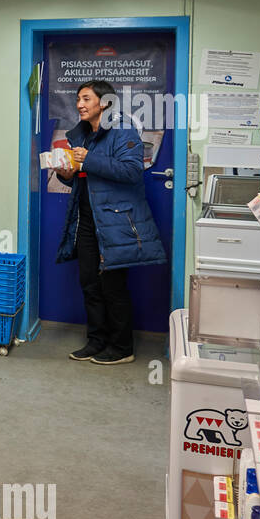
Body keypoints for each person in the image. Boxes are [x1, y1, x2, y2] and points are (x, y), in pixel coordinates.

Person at [53, 80, 165, 364]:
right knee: (89, 282)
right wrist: (66, 173)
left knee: (112, 286)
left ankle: (121, 347)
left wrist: (89, 159)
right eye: (78, 99)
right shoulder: (83, 136)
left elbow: (131, 171)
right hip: (88, 220)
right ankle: (96, 341)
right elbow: (85, 177)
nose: (80, 104)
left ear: (105, 103)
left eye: (86, 99)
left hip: (115, 222)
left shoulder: (123, 130)